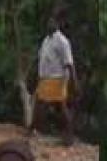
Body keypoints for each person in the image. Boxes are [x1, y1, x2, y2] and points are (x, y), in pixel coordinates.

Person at [29, 12, 78, 146]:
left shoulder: (62, 41)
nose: (48, 24)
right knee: (45, 105)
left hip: (57, 79)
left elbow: (69, 63)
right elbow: (41, 60)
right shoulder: (46, 40)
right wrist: (35, 76)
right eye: (48, 22)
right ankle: (34, 130)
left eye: (51, 22)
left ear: (57, 24)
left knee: (56, 107)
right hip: (45, 79)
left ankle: (68, 136)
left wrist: (74, 83)